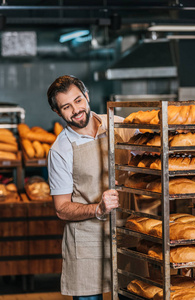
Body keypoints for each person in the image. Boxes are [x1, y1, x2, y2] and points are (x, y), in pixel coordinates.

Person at [47, 75, 137, 300]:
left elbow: (148, 152)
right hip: (86, 244)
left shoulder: (118, 125)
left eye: (78, 100)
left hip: (126, 235)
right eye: (66, 107)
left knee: (134, 294)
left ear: (87, 96)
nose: (76, 110)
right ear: (59, 113)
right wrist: (97, 209)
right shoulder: (60, 150)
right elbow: (61, 208)